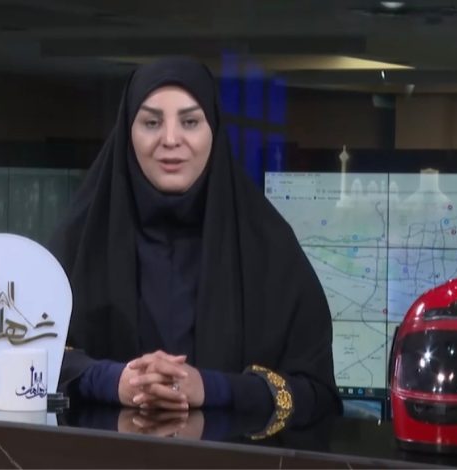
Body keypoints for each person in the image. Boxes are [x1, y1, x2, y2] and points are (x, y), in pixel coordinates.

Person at [49, 56, 341, 433]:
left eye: (189, 122)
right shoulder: (79, 241)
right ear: (127, 132)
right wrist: (114, 381)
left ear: (213, 130)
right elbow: (20, 360)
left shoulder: (269, 247)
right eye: (151, 122)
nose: (171, 140)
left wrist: (211, 388)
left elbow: (317, 393)